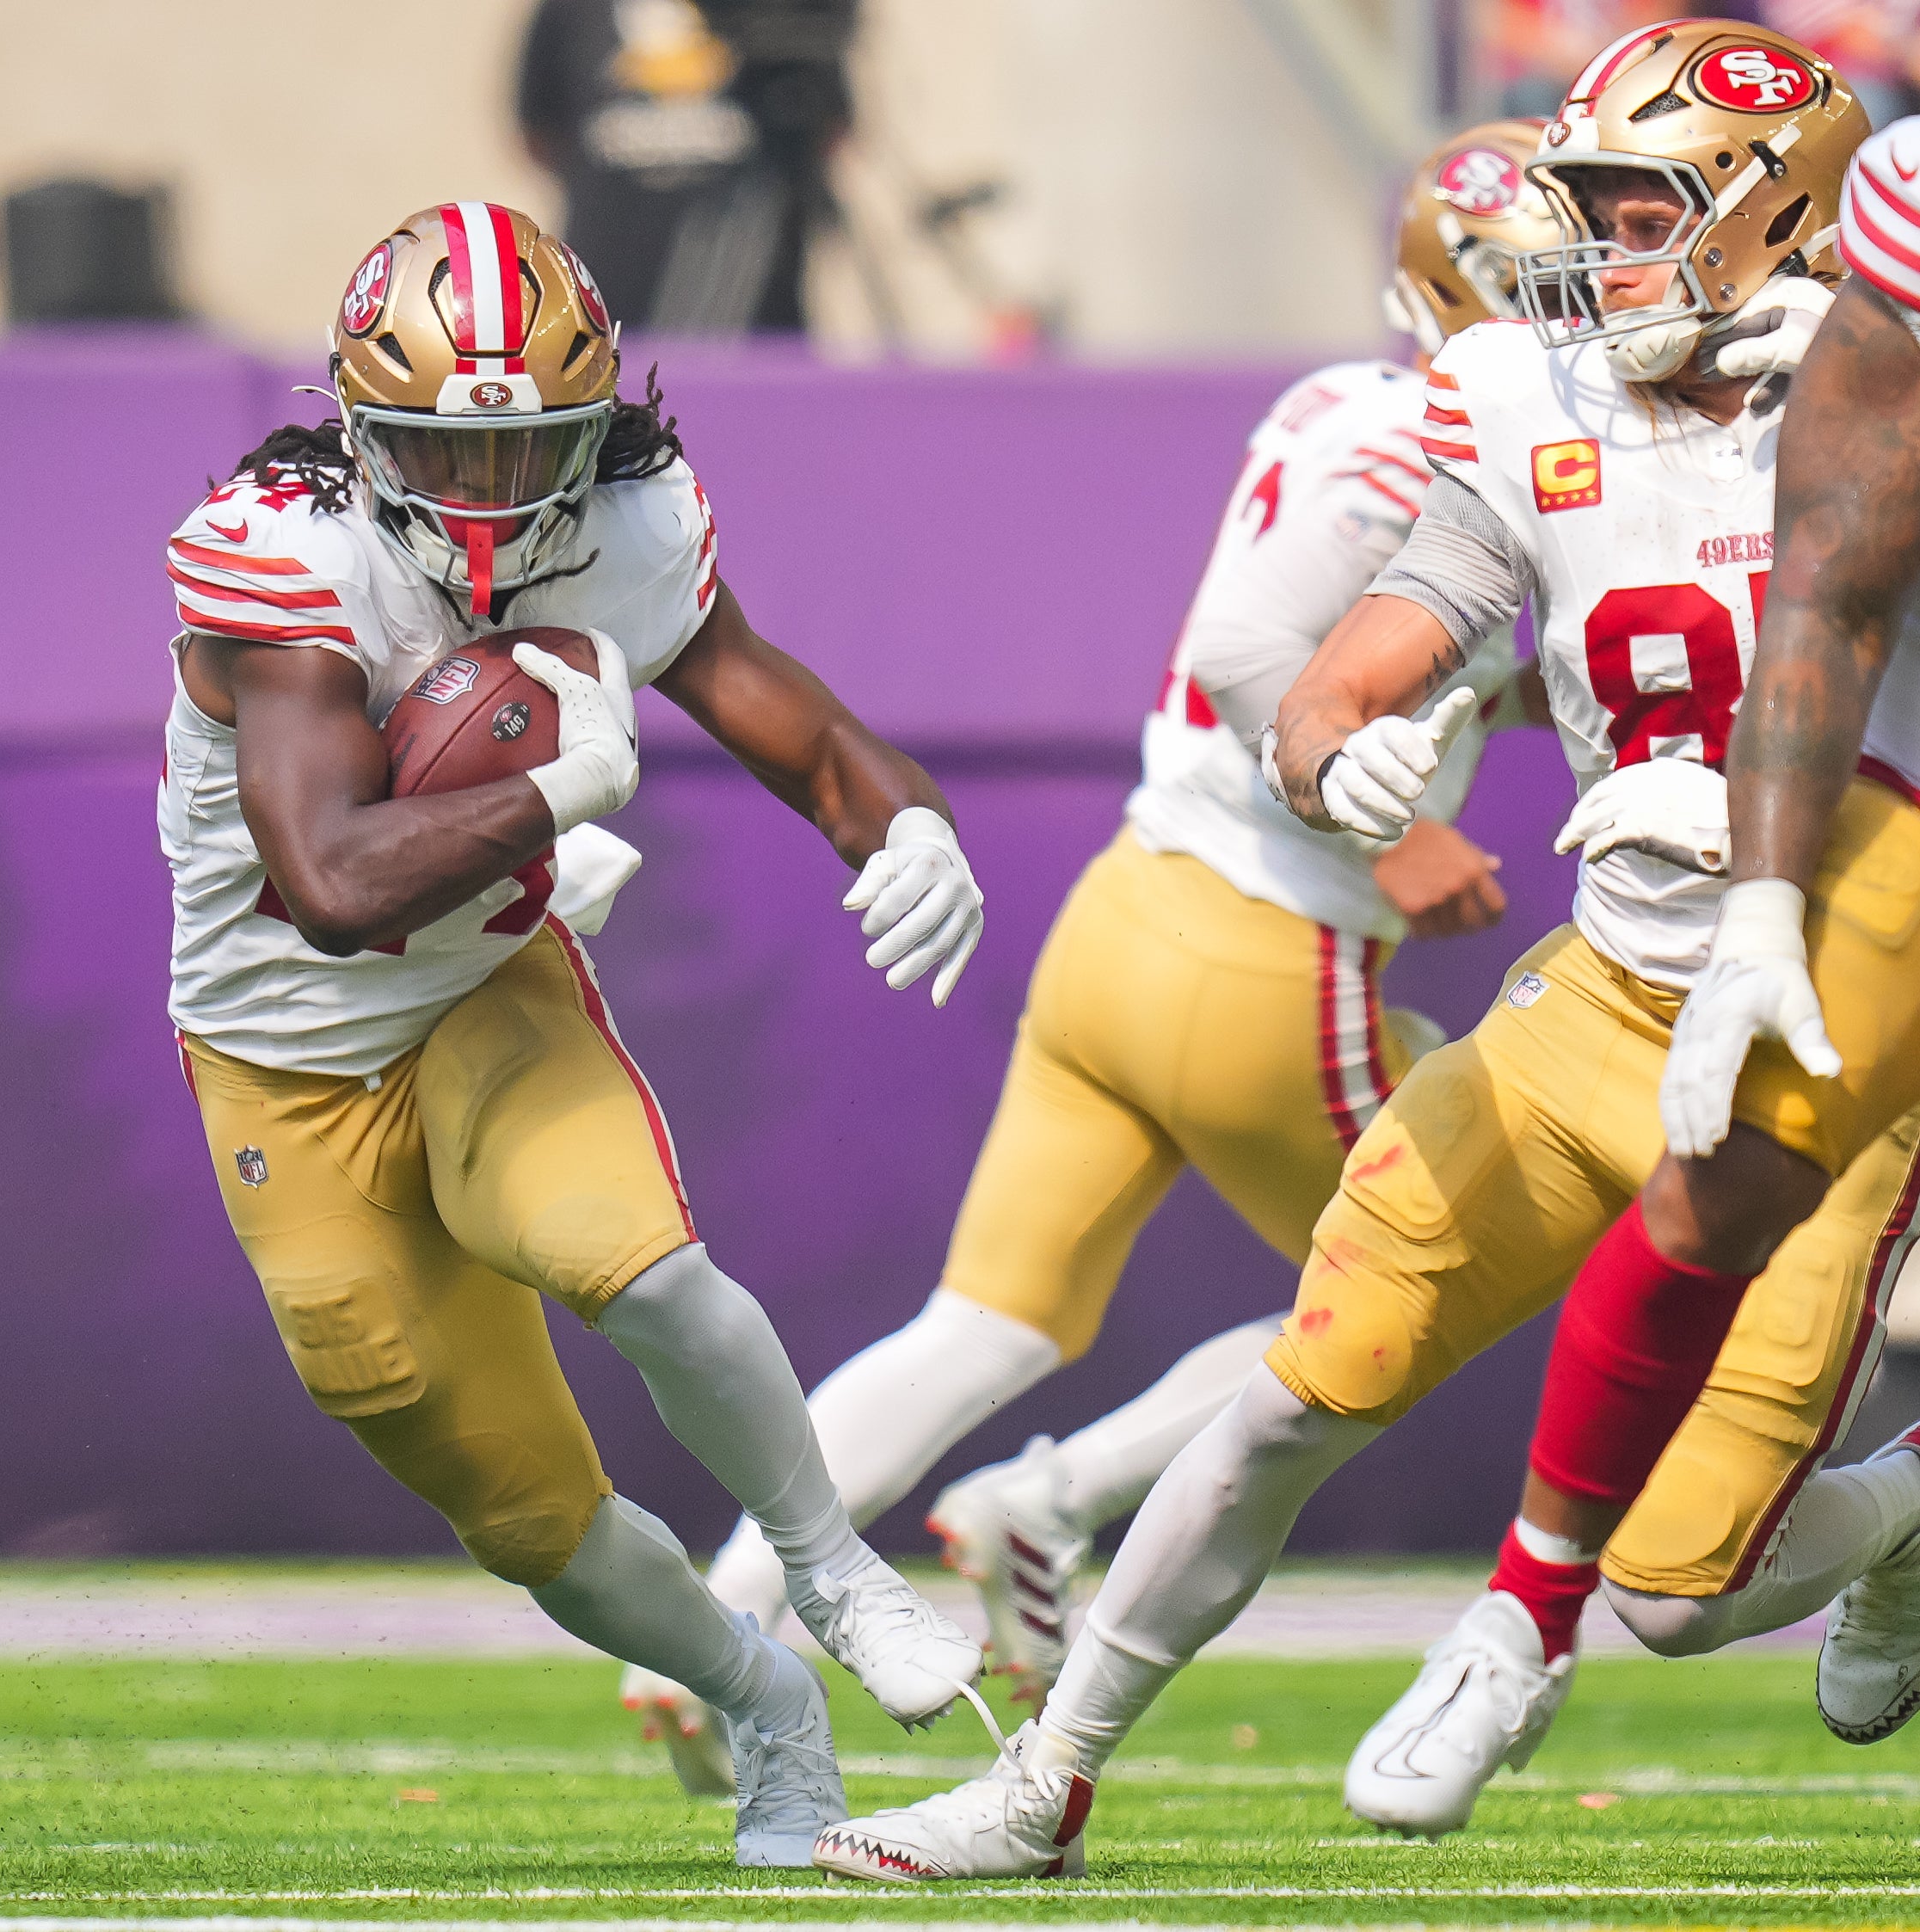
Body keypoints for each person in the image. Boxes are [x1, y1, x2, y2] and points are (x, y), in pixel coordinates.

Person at [805, 20, 1910, 1880]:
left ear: (1784, 220)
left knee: (1672, 1587)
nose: (1599, 252)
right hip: (1601, 993)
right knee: (1292, 1392)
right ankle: (1040, 1782)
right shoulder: (1522, 397)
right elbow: (1343, 671)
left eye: (1646, 210)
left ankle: (1891, 1522)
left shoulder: (1871, 384)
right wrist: (1348, 757)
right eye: (1597, 208)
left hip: (1816, 1027)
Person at [617, 120, 1560, 1795]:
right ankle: (1053, 1502)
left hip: (1131, 914)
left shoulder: (1339, 404)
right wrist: (1379, 812)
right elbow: (1245, 648)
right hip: (1270, 953)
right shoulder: (1437, 437)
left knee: (982, 1322)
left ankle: (726, 1616)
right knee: (1400, 1305)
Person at [165, 200, 985, 1866]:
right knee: (520, 1510)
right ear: (352, 421)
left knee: (640, 1265)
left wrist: (898, 821)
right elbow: (323, 877)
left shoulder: (622, 514)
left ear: (590, 423)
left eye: (523, 451)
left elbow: (784, 713)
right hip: (280, 1049)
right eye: (435, 457)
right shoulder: (283, 551)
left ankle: (829, 1564)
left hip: (482, 993)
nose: (480, 502)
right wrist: (554, 792)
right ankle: (760, 1696)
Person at [1591, 102, 1920, 1752]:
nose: (1602, 253)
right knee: (1666, 1588)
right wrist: (1758, 899)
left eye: (1642, 208)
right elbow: (1827, 591)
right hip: (1878, 871)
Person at [515, 0, 852, 333]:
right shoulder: (570, 11)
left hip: (757, 318)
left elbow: (831, 129)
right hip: (607, 309)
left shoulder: (785, 15)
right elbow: (539, 135)